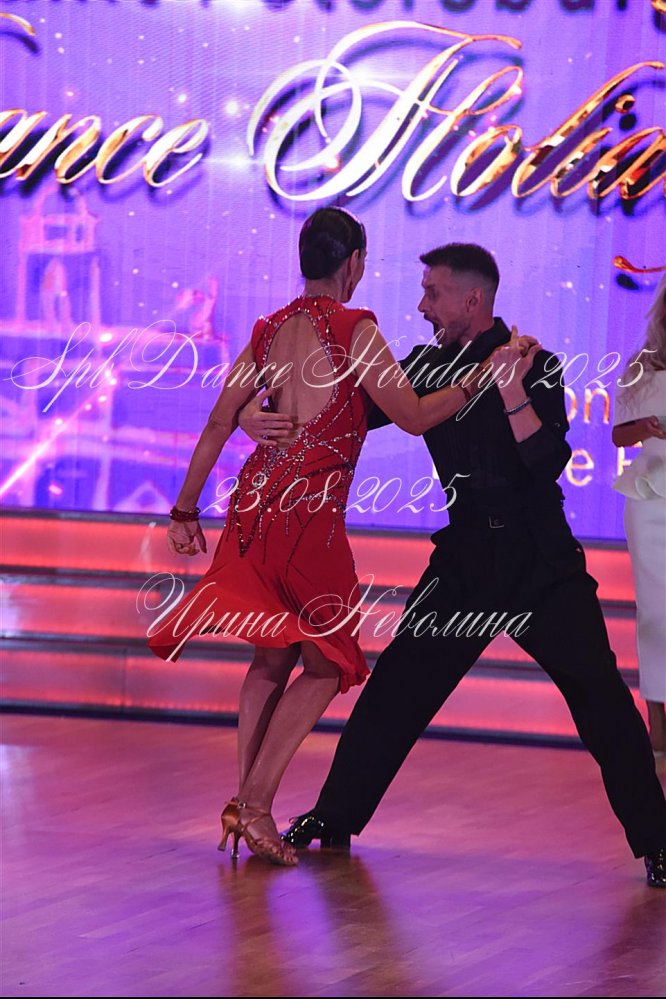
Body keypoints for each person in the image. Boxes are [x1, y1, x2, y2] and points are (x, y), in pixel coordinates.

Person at [239, 243, 666, 887]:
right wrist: (254, 408)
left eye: (432, 293)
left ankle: (658, 843)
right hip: (465, 561)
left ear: (473, 299)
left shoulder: (537, 364)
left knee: (600, 701)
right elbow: (335, 408)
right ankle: (334, 816)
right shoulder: (424, 368)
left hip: (540, 563)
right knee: (396, 691)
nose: (421, 305)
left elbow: (546, 463)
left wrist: (511, 387)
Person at [147, 212, 511, 867]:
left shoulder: (269, 329)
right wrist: (479, 378)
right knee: (328, 662)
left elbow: (217, 422)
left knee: (272, 659)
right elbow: (413, 415)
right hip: (308, 516)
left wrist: (184, 510)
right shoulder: (355, 328)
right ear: (355, 263)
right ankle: (255, 802)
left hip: (255, 504)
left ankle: (245, 804)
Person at [612, 275, 666, 757]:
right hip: (651, 501)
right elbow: (619, 435)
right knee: (655, 613)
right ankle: (656, 722)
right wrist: (646, 426)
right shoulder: (641, 368)